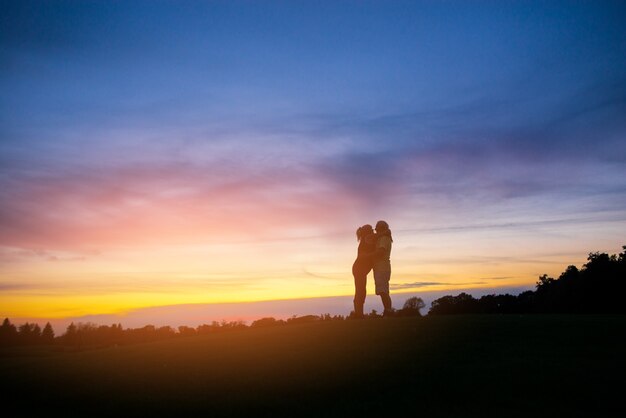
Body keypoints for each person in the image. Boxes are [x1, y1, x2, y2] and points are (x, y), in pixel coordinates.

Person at [352, 224, 376, 318]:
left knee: (361, 291)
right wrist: (374, 254)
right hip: (359, 269)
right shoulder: (365, 241)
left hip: (360, 269)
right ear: (367, 231)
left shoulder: (367, 240)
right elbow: (362, 256)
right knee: (360, 291)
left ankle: (359, 314)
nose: (373, 231)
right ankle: (359, 314)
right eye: (371, 230)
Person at [373, 220, 393, 316]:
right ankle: (388, 311)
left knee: (383, 291)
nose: (376, 232)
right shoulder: (383, 237)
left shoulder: (384, 238)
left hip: (382, 267)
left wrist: (369, 256)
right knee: (383, 291)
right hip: (381, 267)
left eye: (377, 229)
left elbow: (381, 252)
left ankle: (388, 311)